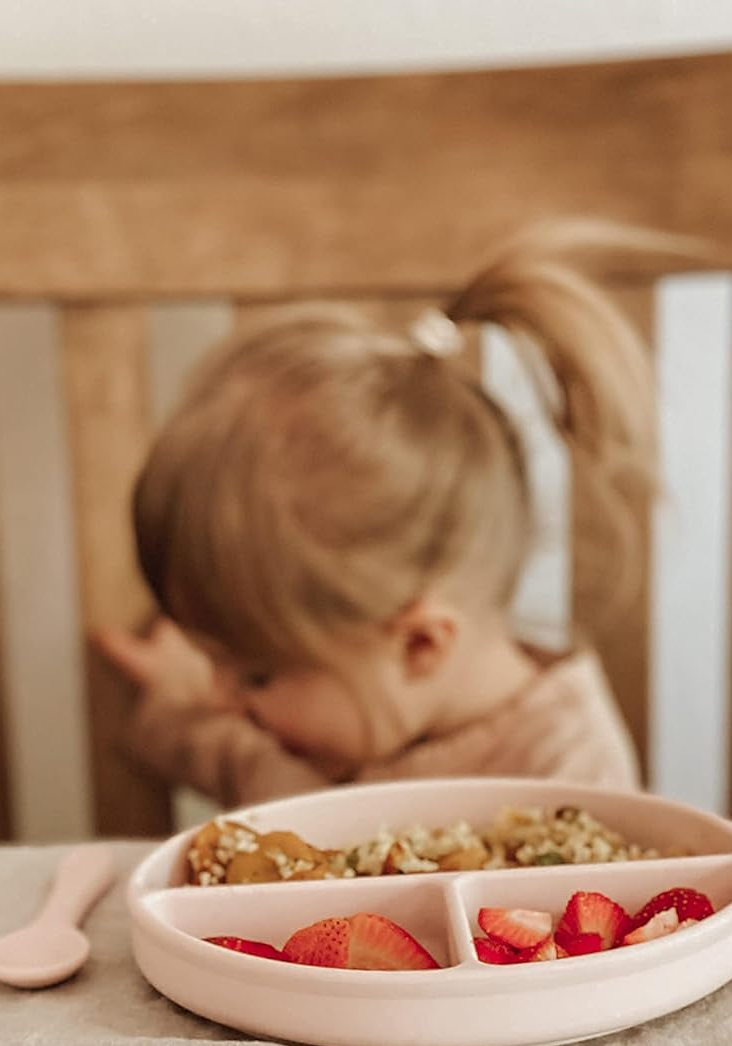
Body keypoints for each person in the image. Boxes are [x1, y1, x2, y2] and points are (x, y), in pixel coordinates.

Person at [97, 220, 662, 808]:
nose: (223, 698)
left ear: (420, 644)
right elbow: (222, 751)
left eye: (254, 675)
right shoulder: (331, 717)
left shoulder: (569, 772)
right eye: (219, 666)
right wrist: (170, 691)